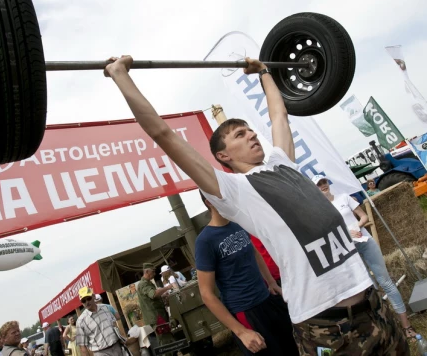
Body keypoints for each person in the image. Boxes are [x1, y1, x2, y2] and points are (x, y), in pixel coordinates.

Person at [104, 55, 408, 355]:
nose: (251, 135)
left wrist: (263, 72)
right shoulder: (234, 190)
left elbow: (278, 115)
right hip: (327, 326)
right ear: (223, 156)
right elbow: (163, 134)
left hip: (372, 304)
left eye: (250, 130)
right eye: (239, 135)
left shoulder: (281, 161)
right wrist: (121, 75)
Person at [313, 174, 418, 340]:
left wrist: (357, 226)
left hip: (365, 241)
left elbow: (364, 216)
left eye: (324, 182)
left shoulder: (344, 197)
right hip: (348, 250)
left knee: (385, 282)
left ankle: (407, 326)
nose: (323, 186)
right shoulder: (320, 211)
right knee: (369, 288)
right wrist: (346, 233)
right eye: (319, 185)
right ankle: (385, 327)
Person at [196, 193, 298, 355]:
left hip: (267, 300)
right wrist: (241, 332)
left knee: (295, 347)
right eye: (220, 196)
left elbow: (255, 252)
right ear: (209, 202)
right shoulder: (205, 241)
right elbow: (206, 294)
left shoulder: (237, 224)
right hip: (246, 312)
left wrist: (271, 282)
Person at [76, 286, 135, 356]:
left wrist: (121, 338)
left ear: (94, 296)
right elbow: (82, 346)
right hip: (100, 352)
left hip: (117, 347)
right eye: (83, 301)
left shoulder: (106, 308)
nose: (87, 302)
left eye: (88, 298)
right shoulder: (81, 321)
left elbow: (114, 326)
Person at [136, 262, 175, 354]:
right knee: (166, 342)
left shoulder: (148, 283)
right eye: (153, 272)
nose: (154, 273)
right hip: (157, 318)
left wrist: (162, 295)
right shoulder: (143, 284)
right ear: (147, 271)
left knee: (168, 340)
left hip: (159, 316)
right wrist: (167, 287)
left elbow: (153, 297)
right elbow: (153, 294)